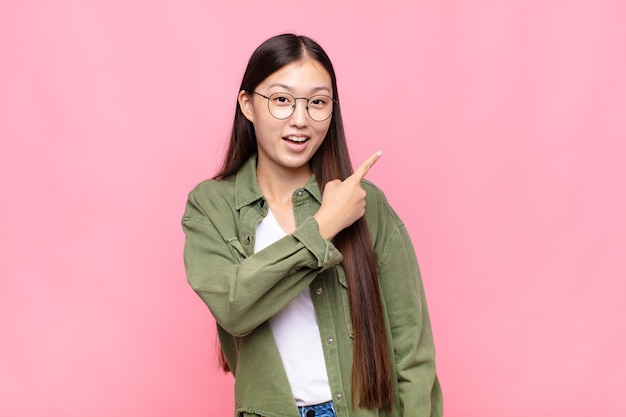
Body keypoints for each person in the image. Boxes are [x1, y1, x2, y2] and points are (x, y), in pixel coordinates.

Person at [182, 33, 443, 417]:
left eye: (317, 102)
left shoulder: (366, 204)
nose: (300, 120)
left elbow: (412, 350)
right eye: (282, 100)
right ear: (247, 104)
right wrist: (323, 226)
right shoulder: (211, 206)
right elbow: (232, 306)